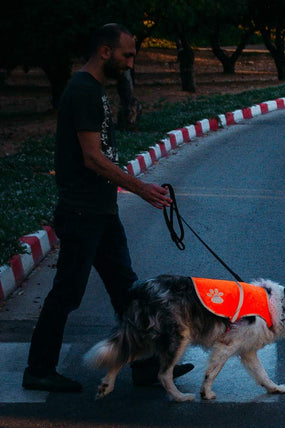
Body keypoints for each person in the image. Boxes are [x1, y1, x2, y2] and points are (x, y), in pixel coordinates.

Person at [23, 24, 192, 392]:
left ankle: (147, 368)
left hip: (100, 210)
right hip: (83, 213)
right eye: (127, 55)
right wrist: (140, 188)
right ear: (104, 52)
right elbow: (92, 158)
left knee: (129, 292)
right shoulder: (83, 90)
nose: (130, 62)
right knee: (67, 294)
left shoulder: (94, 89)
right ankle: (38, 369)